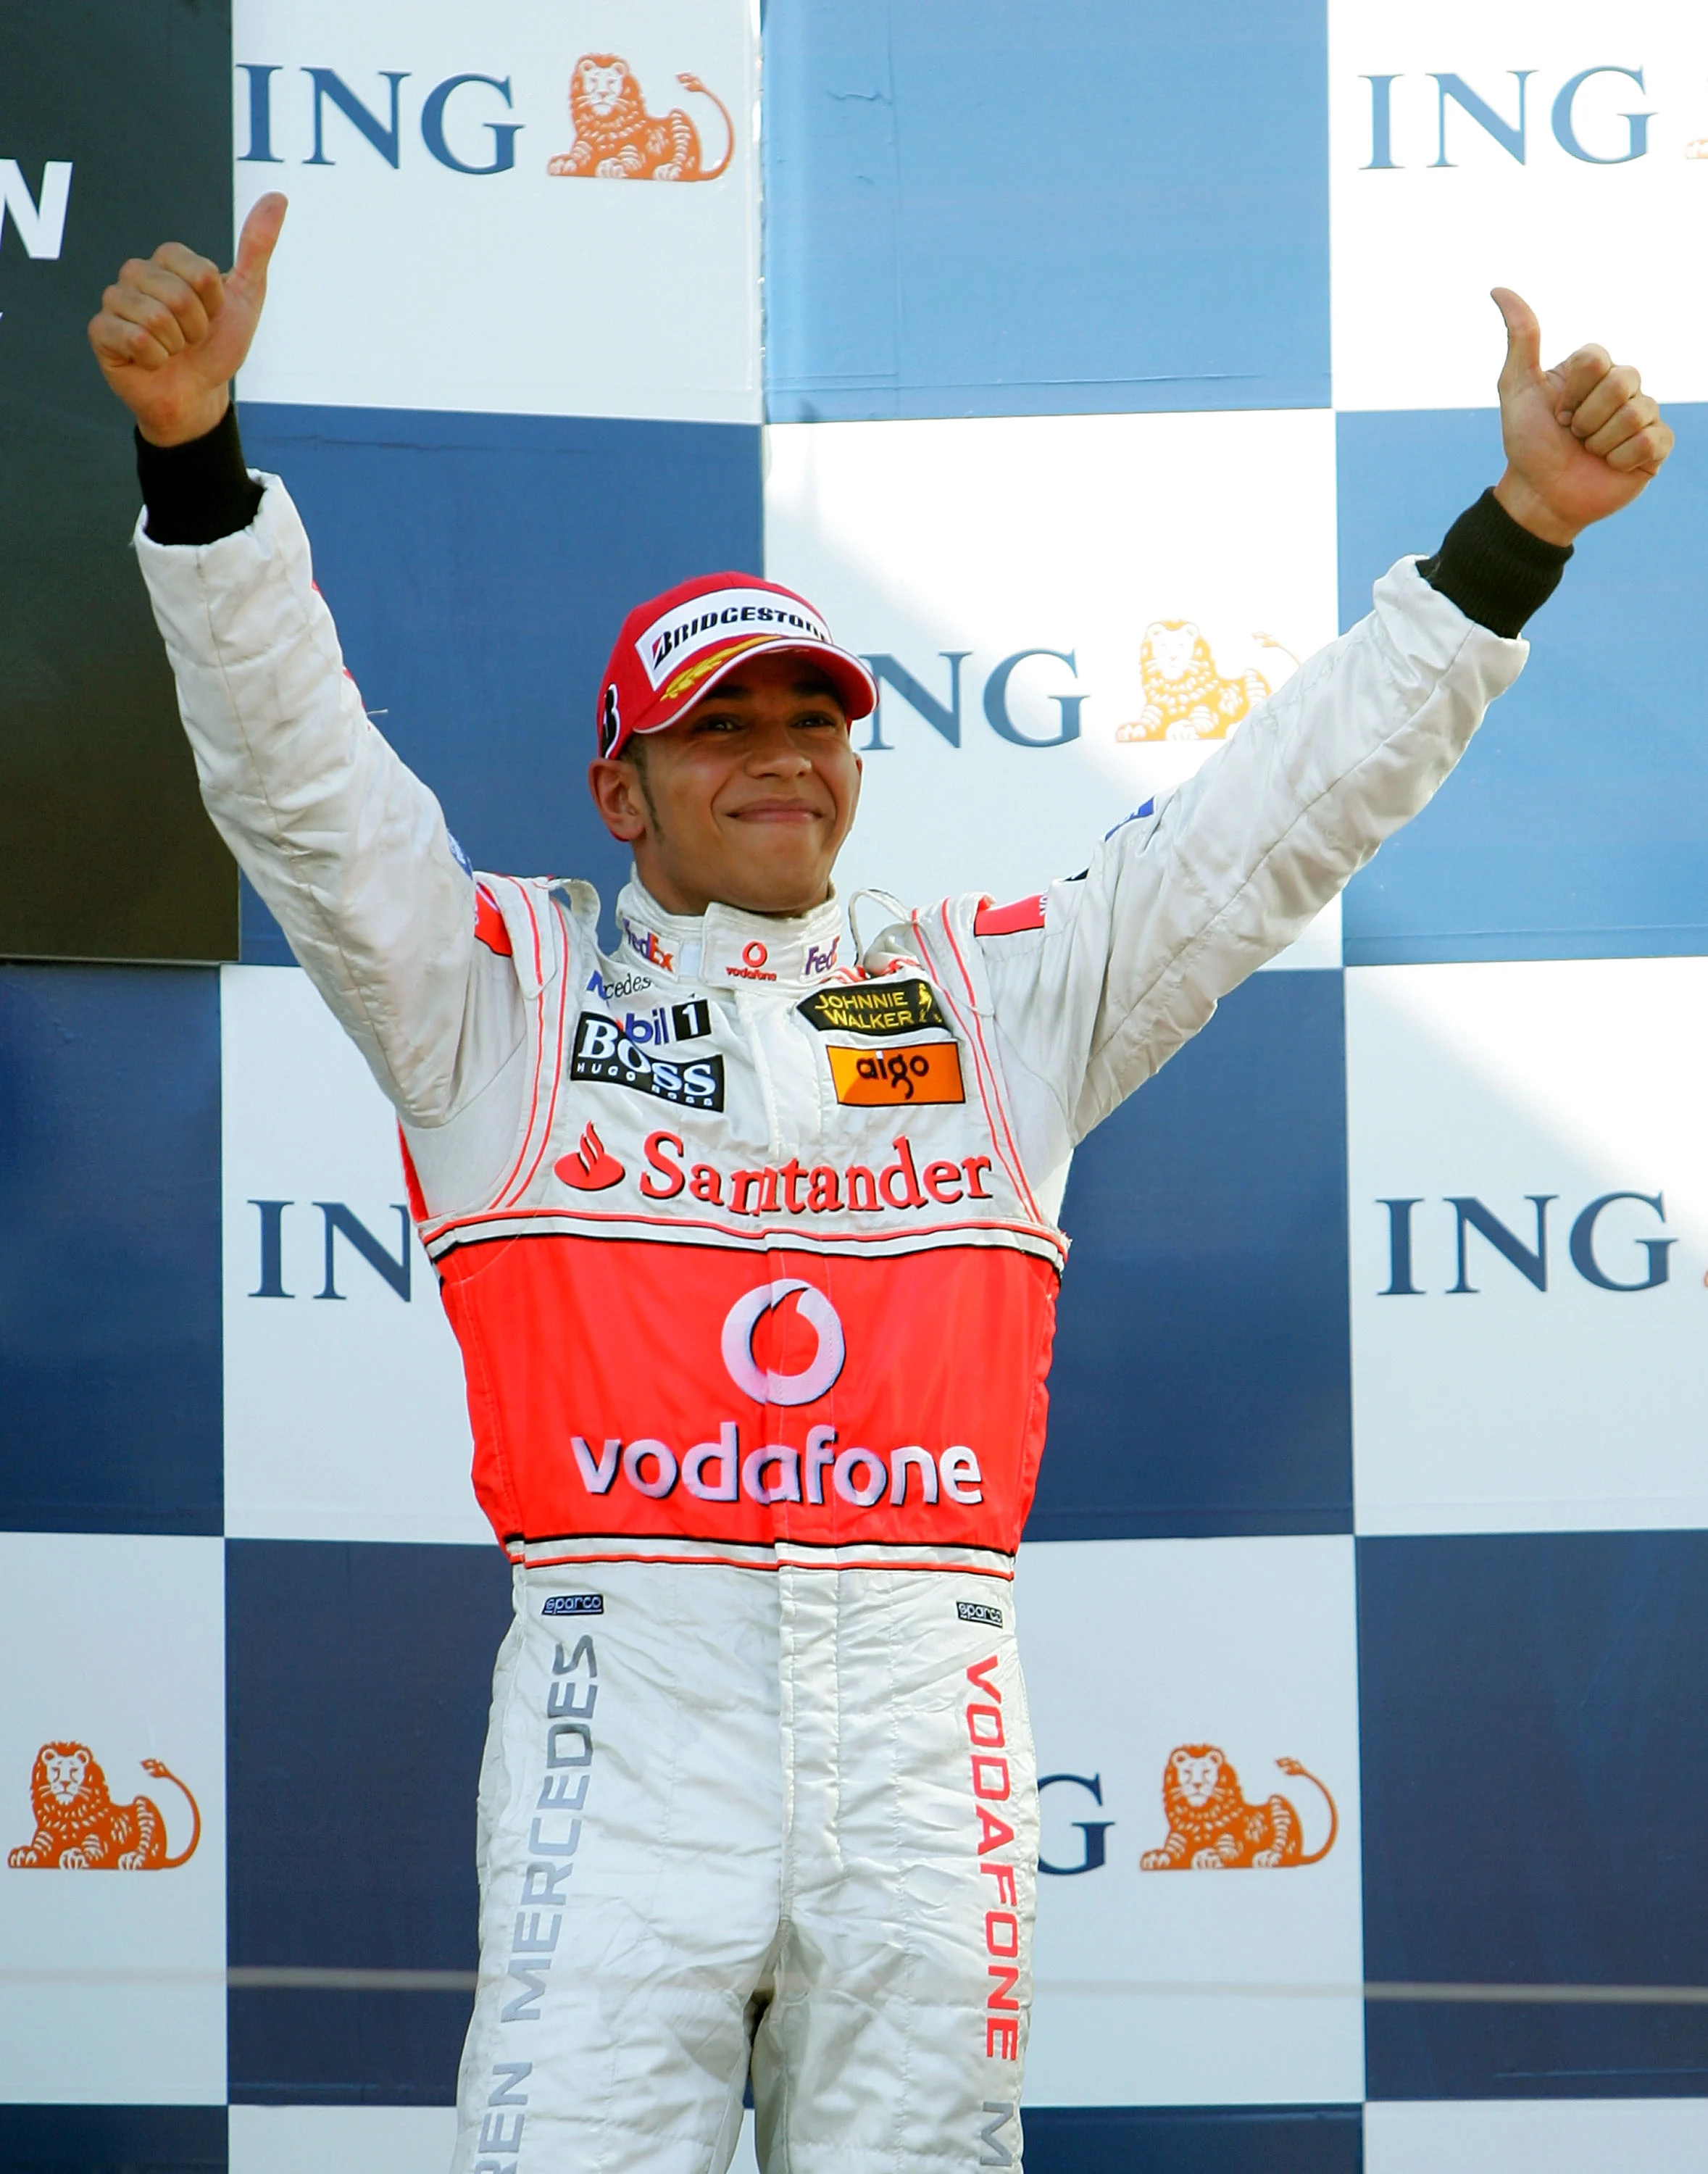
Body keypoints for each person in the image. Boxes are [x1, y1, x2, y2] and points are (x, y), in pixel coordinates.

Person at [91, 192, 1670, 2173]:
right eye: (715, 730)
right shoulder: (490, 992)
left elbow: (1275, 819)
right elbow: (301, 785)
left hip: (930, 1729)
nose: (777, 759)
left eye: (811, 724)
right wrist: (197, 470)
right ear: (618, 788)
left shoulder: (993, 992)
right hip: (620, 1722)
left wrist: (1507, 544)